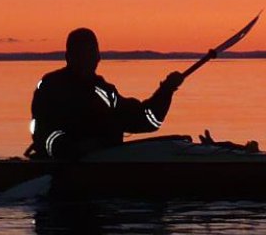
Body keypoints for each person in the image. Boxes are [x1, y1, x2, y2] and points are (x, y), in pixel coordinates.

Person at [27, 27, 183, 159]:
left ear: (97, 57)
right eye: (81, 54)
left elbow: (147, 120)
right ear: (68, 57)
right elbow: (45, 134)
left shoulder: (106, 93)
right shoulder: (51, 87)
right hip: (65, 167)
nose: (87, 59)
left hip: (105, 164)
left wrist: (167, 89)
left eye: (90, 53)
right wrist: (75, 149)